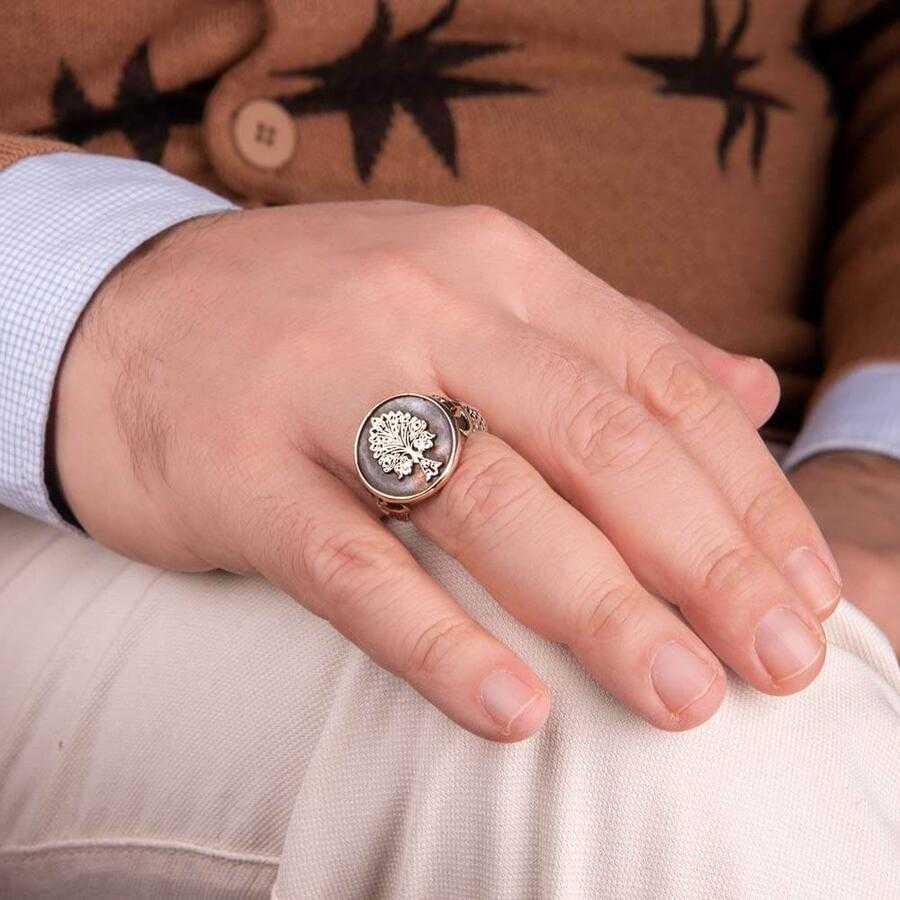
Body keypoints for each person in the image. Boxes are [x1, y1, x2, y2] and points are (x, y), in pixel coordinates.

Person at [0, 0, 898, 897]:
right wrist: (100, 298)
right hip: (57, 468)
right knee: (649, 733)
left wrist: (877, 450)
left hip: (771, 448)